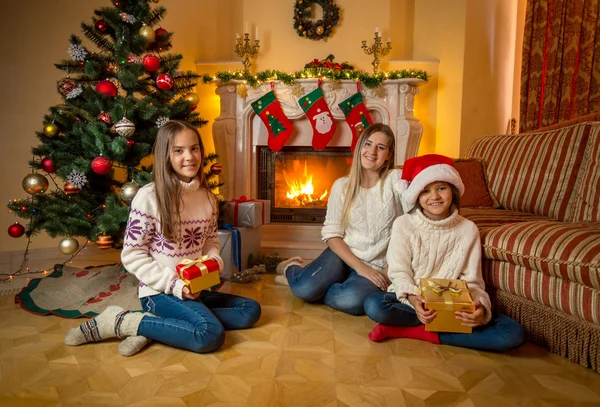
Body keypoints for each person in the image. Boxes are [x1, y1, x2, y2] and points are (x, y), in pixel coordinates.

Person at [65, 120, 261, 355]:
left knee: (250, 310)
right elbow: (132, 254)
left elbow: (210, 241)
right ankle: (122, 321)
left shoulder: (207, 198)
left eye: (194, 148)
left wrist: (213, 260)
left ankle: (163, 326)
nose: (189, 156)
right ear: (165, 155)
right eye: (178, 150)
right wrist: (174, 285)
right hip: (160, 292)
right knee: (209, 334)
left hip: (196, 289)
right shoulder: (149, 198)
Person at [364, 154, 525, 351]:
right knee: (374, 305)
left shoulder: (468, 229)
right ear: (416, 196)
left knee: (512, 334)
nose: (435, 197)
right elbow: (399, 273)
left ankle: (411, 331)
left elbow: (473, 281)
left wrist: (479, 309)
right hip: (413, 302)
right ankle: (432, 328)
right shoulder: (403, 224)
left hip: (452, 306)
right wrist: (415, 301)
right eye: (425, 191)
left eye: (441, 188)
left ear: (453, 190)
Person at [275, 123, 406, 315]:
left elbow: (412, 227)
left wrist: (388, 270)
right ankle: (290, 268)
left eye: (380, 147)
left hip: (379, 265)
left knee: (350, 301)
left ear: (389, 153)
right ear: (360, 147)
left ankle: (317, 282)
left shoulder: (396, 180)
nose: (372, 152)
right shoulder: (342, 186)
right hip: (342, 256)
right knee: (304, 289)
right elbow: (332, 235)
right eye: (367, 144)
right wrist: (361, 269)